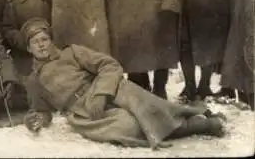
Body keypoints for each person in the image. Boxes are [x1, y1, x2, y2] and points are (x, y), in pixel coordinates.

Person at [21, 18, 226, 150]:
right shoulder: (34, 79)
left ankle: (202, 122)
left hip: (109, 89)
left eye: (44, 39)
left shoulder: (71, 52)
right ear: (29, 49)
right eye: (35, 42)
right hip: (85, 113)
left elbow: (109, 65)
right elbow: (42, 111)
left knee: (150, 110)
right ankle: (193, 125)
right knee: (129, 127)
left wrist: (101, 94)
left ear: (51, 40)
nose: (41, 45)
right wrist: (36, 120)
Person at [2, 0, 52, 80]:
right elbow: (8, 29)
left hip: (49, 50)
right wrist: (26, 43)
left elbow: (59, 24)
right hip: (24, 53)